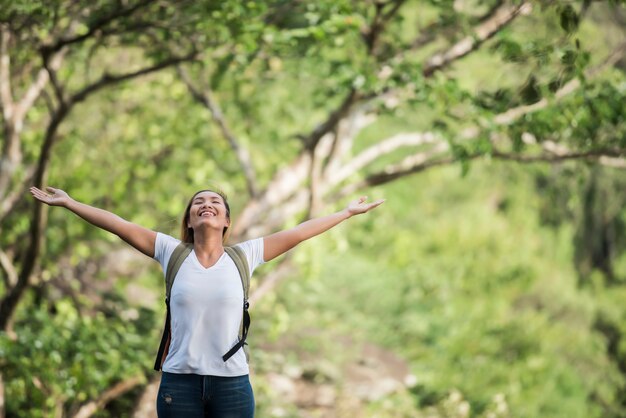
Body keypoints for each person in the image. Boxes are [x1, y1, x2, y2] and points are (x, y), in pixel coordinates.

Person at [30, 185, 384, 418]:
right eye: (198, 202)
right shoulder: (171, 252)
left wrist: (346, 213)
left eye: (215, 202)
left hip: (231, 384)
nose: (206, 205)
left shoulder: (246, 255)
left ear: (227, 220)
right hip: (179, 384)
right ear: (189, 219)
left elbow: (299, 232)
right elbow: (119, 225)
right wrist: (70, 203)